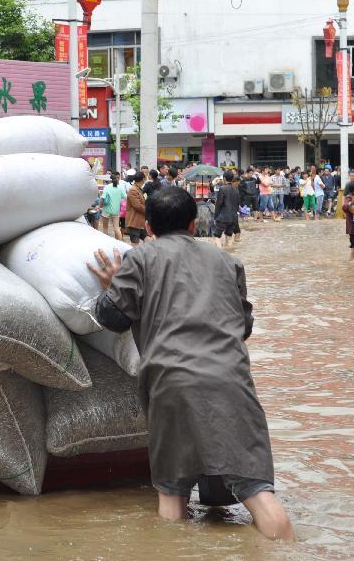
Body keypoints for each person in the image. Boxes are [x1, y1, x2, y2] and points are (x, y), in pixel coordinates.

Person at [86, 188, 293, 539]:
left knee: (172, 496)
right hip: (231, 381)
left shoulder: (140, 259)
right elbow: (243, 327)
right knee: (257, 491)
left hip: (170, 382)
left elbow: (113, 318)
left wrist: (111, 286)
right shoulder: (227, 262)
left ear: (148, 226)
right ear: (194, 225)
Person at [214, 171, 241, 249]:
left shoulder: (222, 188)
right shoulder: (236, 190)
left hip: (223, 217)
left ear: (224, 178)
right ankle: (230, 253)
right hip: (233, 217)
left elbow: (218, 204)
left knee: (217, 237)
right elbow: (237, 204)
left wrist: (215, 217)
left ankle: (220, 254)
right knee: (229, 237)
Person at [100, 171, 127, 241]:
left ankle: (106, 242)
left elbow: (102, 198)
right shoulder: (120, 188)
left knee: (105, 228)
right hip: (116, 211)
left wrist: (99, 206)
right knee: (117, 228)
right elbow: (125, 197)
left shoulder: (107, 187)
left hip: (106, 210)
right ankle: (120, 242)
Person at [125, 173, 147, 244]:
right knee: (135, 243)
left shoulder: (138, 189)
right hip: (134, 221)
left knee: (148, 239)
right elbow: (137, 206)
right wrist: (148, 211)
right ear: (143, 179)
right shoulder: (133, 190)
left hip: (140, 221)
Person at [342, 180, 354, 260]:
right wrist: (351, 204)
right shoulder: (350, 197)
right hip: (353, 226)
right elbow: (345, 207)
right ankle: (351, 262)